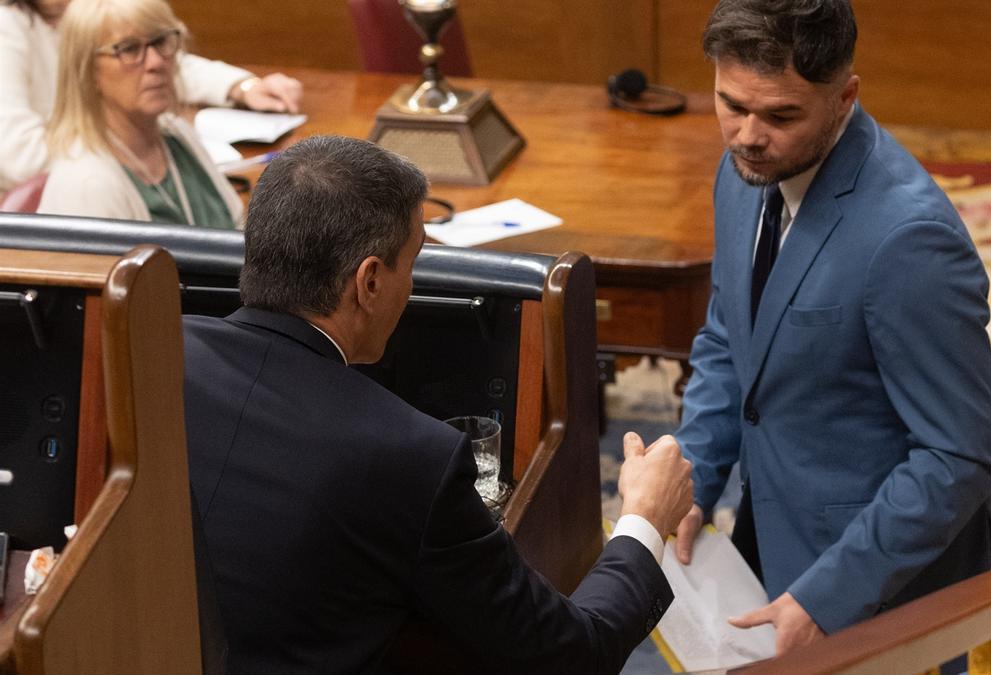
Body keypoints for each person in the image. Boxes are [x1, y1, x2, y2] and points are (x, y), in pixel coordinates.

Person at [182, 134, 695, 673]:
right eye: (413, 261)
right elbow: (574, 653)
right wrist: (644, 518)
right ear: (370, 281)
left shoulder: (158, 354)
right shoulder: (409, 455)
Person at [671, 0, 991, 656]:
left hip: (883, 589)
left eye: (781, 116)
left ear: (844, 96)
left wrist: (831, 596)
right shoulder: (743, 173)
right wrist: (696, 476)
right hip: (767, 534)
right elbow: (730, 339)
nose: (747, 135)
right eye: (731, 105)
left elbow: (958, 456)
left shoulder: (910, 240)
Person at [0, 0, 301, 192]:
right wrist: (123, 150)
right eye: (128, 48)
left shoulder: (90, 6)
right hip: (65, 193)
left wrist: (241, 86)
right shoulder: (8, 25)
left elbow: (156, 60)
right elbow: (19, 156)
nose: (153, 62)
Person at [33, 0, 242, 226]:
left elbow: (239, 226)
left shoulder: (176, 133)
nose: (156, 62)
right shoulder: (86, 184)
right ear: (87, 70)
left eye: (160, 41)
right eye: (129, 49)